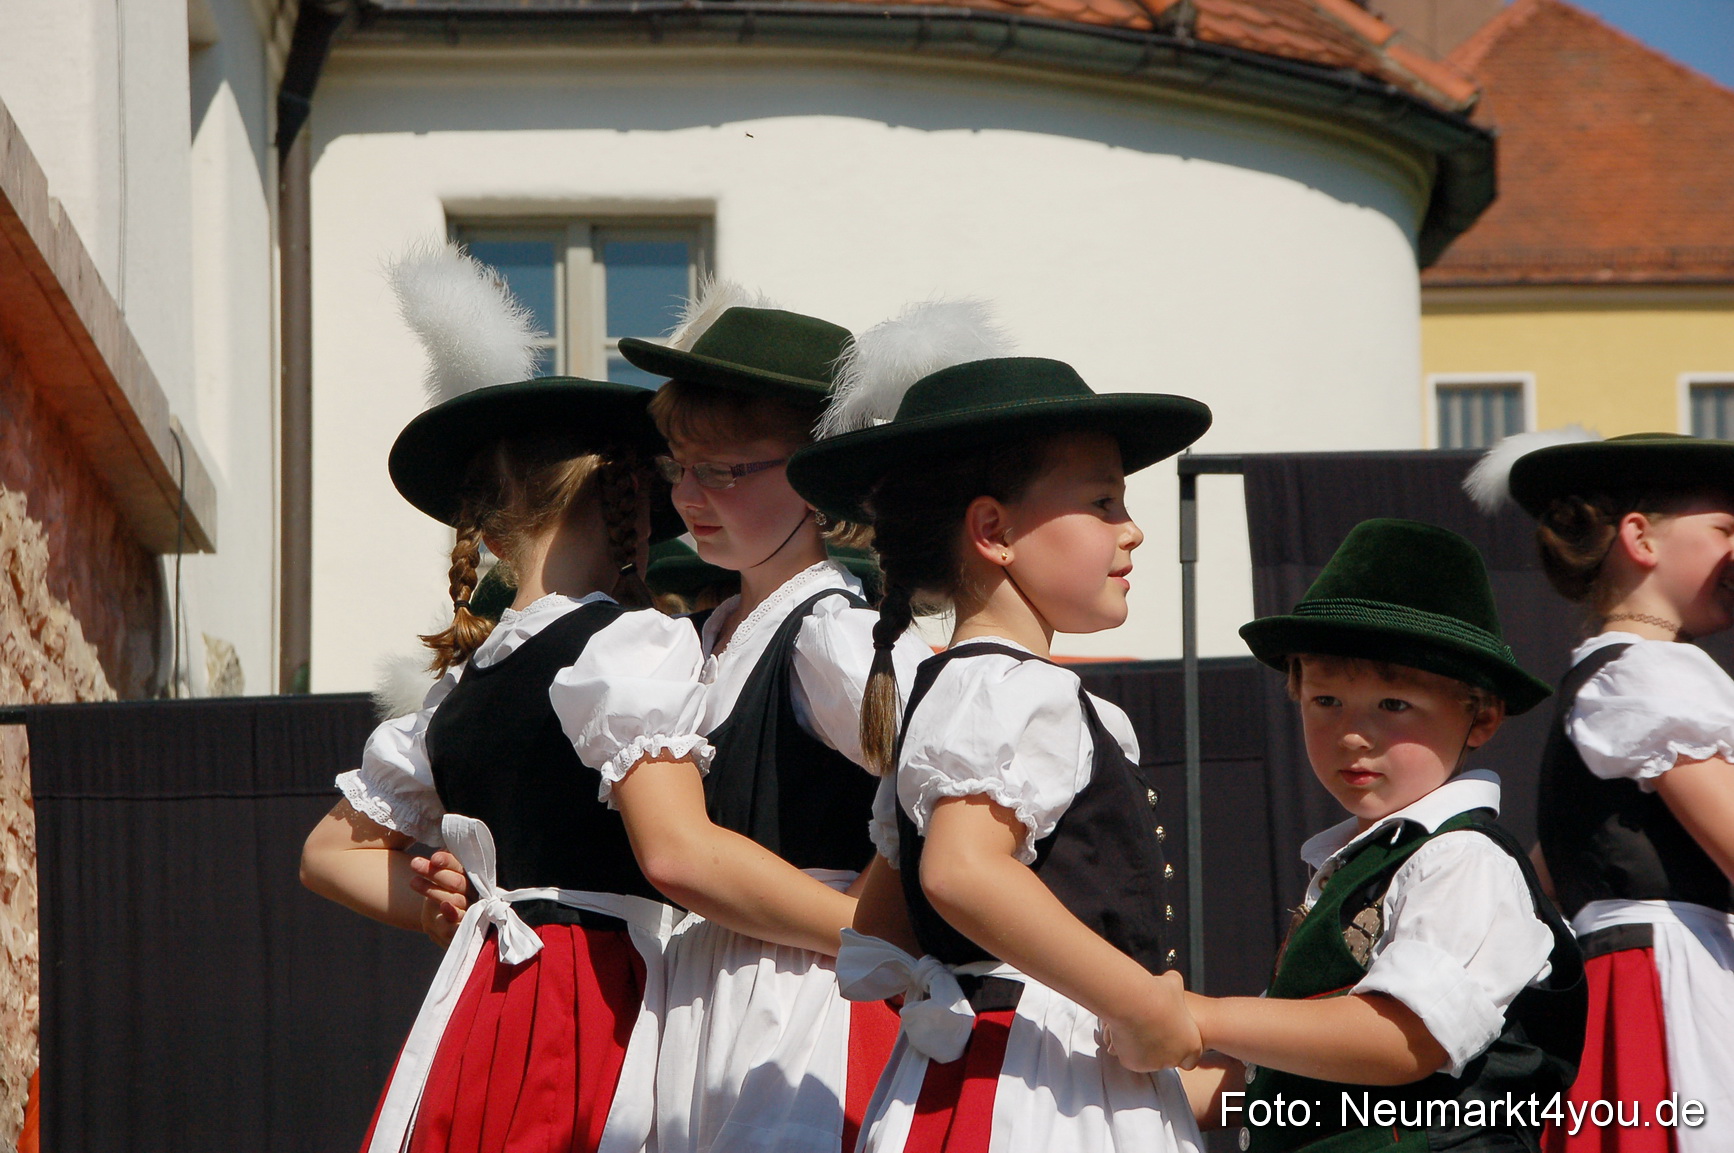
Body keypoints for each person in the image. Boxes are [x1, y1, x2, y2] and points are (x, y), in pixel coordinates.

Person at [299, 242, 704, 1153]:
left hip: (489, 990)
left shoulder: (457, 689)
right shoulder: (638, 644)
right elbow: (683, 852)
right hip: (598, 995)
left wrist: (455, 907)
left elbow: (329, 851)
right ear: (623, 491)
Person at [786, 339, 1214, 1152]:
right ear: (993, 530)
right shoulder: (1015, 690)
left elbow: (880, 932)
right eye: (1104, 502)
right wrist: (1140, 1001)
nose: (1134, 532)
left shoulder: (956, 695)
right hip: (1034, 1093)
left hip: (977, 1074)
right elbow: (959, 871)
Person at [596, 285, 935, 1153]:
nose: (689, 496)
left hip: (804, 1004)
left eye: (727, 469)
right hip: (708, 992)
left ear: (818, 480)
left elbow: (953, 773)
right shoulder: (704, 639)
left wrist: (876, 910)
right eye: (680, 467)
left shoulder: (828, 632)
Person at [1192, 517, 1585, 1153]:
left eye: (1393, 705)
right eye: (1325, 702)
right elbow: (1276, 1080)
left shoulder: (1461, 859)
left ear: (1480, 715)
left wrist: (1201, 1015)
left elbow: (1404, 1038)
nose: (1353, 734)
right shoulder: (1358, 867)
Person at [1469, 431, 1734, 1153]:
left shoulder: (1614, 675)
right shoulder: (1650, 674)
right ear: (1640, 537)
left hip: (1627, 968)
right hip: (1666, 980)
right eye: (1725, 529)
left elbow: (1553, 867)